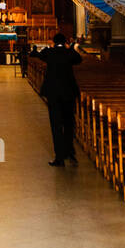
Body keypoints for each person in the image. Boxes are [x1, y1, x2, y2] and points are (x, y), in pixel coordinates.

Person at [40, 32, 81, 167]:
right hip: (68, 93)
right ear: (65, 42)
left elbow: (39, 54)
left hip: (53, 94)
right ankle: (70, 151)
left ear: (53, 41)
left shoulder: (49, 53)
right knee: (69, 123)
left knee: (56, 125)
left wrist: (50, 47)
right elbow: (78, 59)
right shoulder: (69, 53)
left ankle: (59, 157)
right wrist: (69, 48)